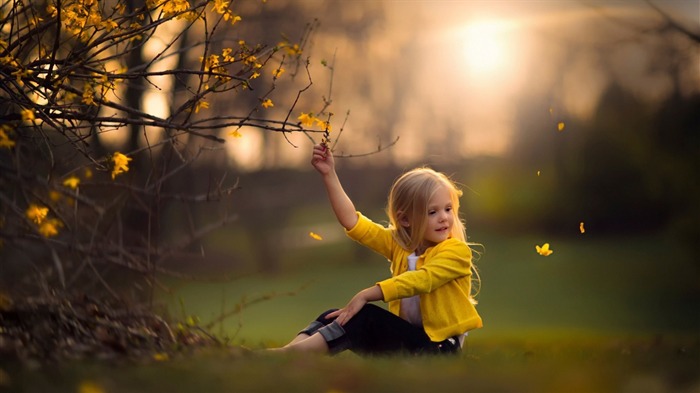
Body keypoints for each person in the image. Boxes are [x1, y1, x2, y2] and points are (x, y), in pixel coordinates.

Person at [270, 143, 483, 356]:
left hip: (439, 349)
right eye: (432, 212)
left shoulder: (456, 251)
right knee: (334, 316)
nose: (444, 217)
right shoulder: (400, 245)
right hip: (410, 340)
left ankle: (288, 357)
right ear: (405, 219)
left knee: (364, 316)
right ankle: (285, 354)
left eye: (448, 209)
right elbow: (353, 223)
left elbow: (423, 280)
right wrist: (329, 174)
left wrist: (367, 294)